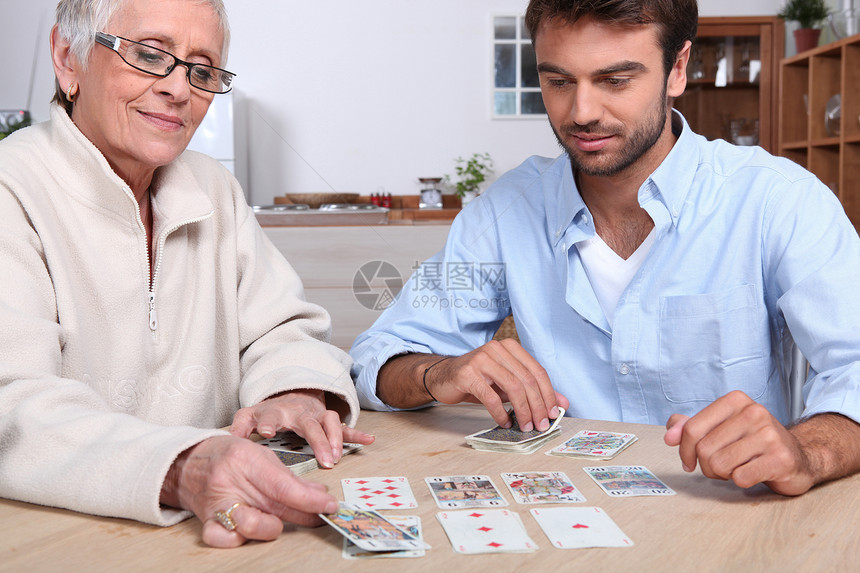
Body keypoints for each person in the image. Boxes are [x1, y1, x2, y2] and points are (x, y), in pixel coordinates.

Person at [351, 0, 860, 497]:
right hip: (565, 513)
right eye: (558, 81)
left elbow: (853, 366)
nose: (582, 112)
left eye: (615, 80)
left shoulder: (779, 200)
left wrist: (807, 452)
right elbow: (375, 360)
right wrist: (439, 371)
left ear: (677, 69)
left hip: (732, 516)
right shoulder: (505, 211)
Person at [0, 0, 373, 549]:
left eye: (201, 70)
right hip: (56, 541)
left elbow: (282, 329)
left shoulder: (213, 186)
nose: (179, 89)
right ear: (67, 58)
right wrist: (184, 468)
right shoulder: (13, 189)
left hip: (224, 528)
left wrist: (291, 389)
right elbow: (12, 404)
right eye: (150, 55)